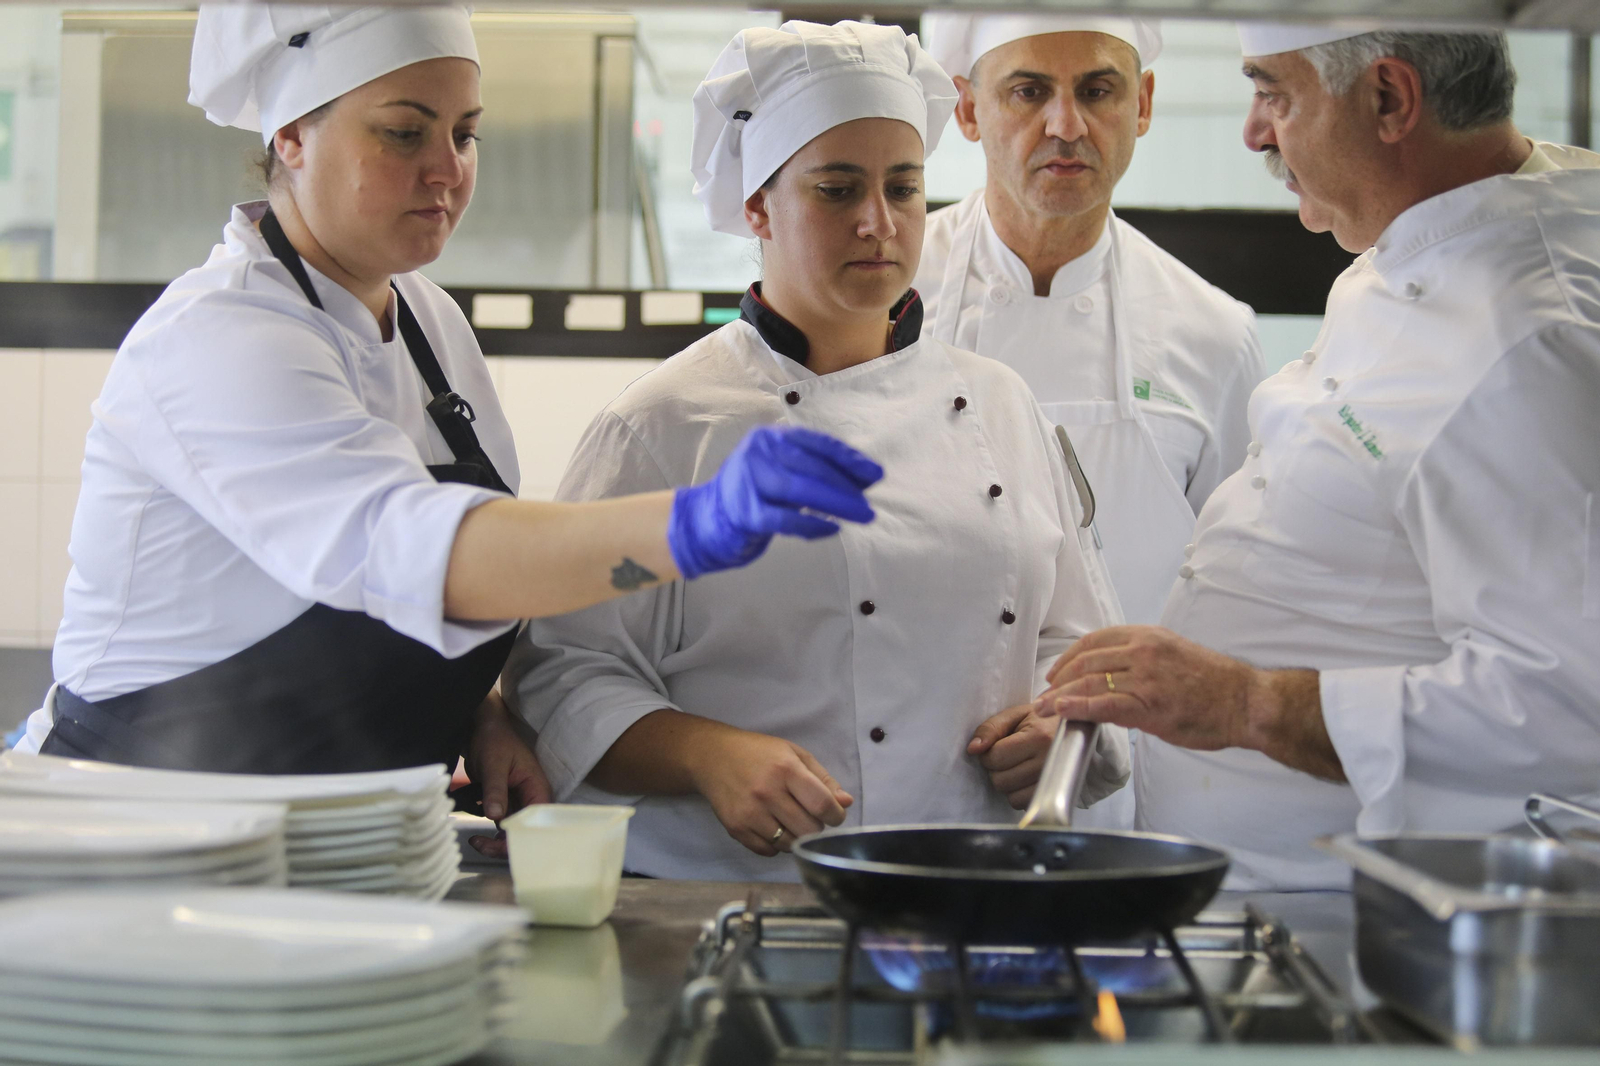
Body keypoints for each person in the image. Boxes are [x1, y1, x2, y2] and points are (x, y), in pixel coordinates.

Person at [10, 4, 882, 817]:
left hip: (341, 836)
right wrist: (690, 526)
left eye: (465, 134)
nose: (448, 169)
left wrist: (482, 709)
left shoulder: (429, 320)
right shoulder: (220, 334)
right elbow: (415, 545)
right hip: (132, 826)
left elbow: (466, 563)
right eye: (404, 132)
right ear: (292, 135)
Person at [504, 20, 1129, 881]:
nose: (879, 223)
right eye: (837, 190)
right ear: (758, 205)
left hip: (966, 881)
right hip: (732, 894)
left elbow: (1078, 643)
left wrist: (1063, 730)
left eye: (903, 189)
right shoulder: (663, 425)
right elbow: (566, 671)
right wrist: (704, 755)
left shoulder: (1000, 403)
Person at [1035, 23, 1600, 889]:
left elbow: (1566, 706)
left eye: (1275, 94)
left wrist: (1243, 703)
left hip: (1353, 914)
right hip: (1258, 880)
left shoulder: (1529, 342)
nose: (1254, 131)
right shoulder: (1433, 233)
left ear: (1389, 99)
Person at [916, 14, 1267, 632]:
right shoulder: (887, 299)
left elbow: (1242, 587)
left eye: (1098, 92)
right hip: (933, 720)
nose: (1066, 125)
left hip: (1128, 725)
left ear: (1143, 105)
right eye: (1028, 92)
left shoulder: (1214, 333)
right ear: (967, 110)